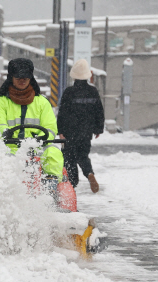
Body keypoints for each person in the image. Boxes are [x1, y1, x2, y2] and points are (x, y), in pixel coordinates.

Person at [0, 58, 64, 189]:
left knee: (53, 152)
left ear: (31, 78)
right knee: (1, 159)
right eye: (18, 77)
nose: (22, 80)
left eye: (26, 77)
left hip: (37, 147)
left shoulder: (42, 102)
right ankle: (5, 190)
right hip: (10, 147)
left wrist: (41, 138)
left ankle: (50, 188)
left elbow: (50, 127)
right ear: (11, 77)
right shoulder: (0, 102)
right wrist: (6, 133)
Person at [57, 59, 104, 193]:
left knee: (69, 158)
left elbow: (62, 114)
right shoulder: (93, 91)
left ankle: (72, 185)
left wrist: (60, 131)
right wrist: (98, 128)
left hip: (70, 133)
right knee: (83, 155)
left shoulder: (69, 92)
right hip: (86, 132)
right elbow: (99, 111)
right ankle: (89, 173)